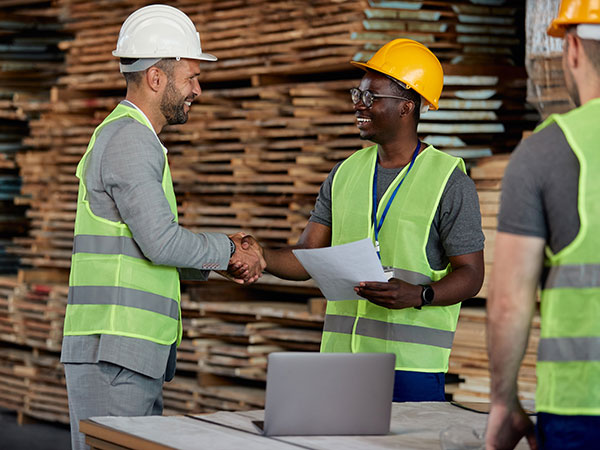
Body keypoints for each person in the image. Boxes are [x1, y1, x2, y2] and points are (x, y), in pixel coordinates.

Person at [61, 5, 265, 449]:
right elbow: (160, 243)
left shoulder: (132, 138)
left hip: (124, 352)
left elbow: (141, 249)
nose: (197, 89)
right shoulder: (131, 140)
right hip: (114, 350)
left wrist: (221, 262)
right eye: (190, 77)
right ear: (156, 77)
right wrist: (230, 251)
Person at [244, 39, 485, 402]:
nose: (359, 103)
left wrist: (418, 295)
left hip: (409, 369)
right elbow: (307, 254)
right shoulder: (345, 173)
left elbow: (472, 275)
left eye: (372, 97)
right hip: (342, 362)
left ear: (407, 106)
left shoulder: (449, 180)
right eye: (358, 93)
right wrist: (262, 257)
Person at [485, 1, 600, 449]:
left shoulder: (546, 153)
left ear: (572, 47)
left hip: (582, 411)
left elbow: (510, 303)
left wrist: (502, 403)